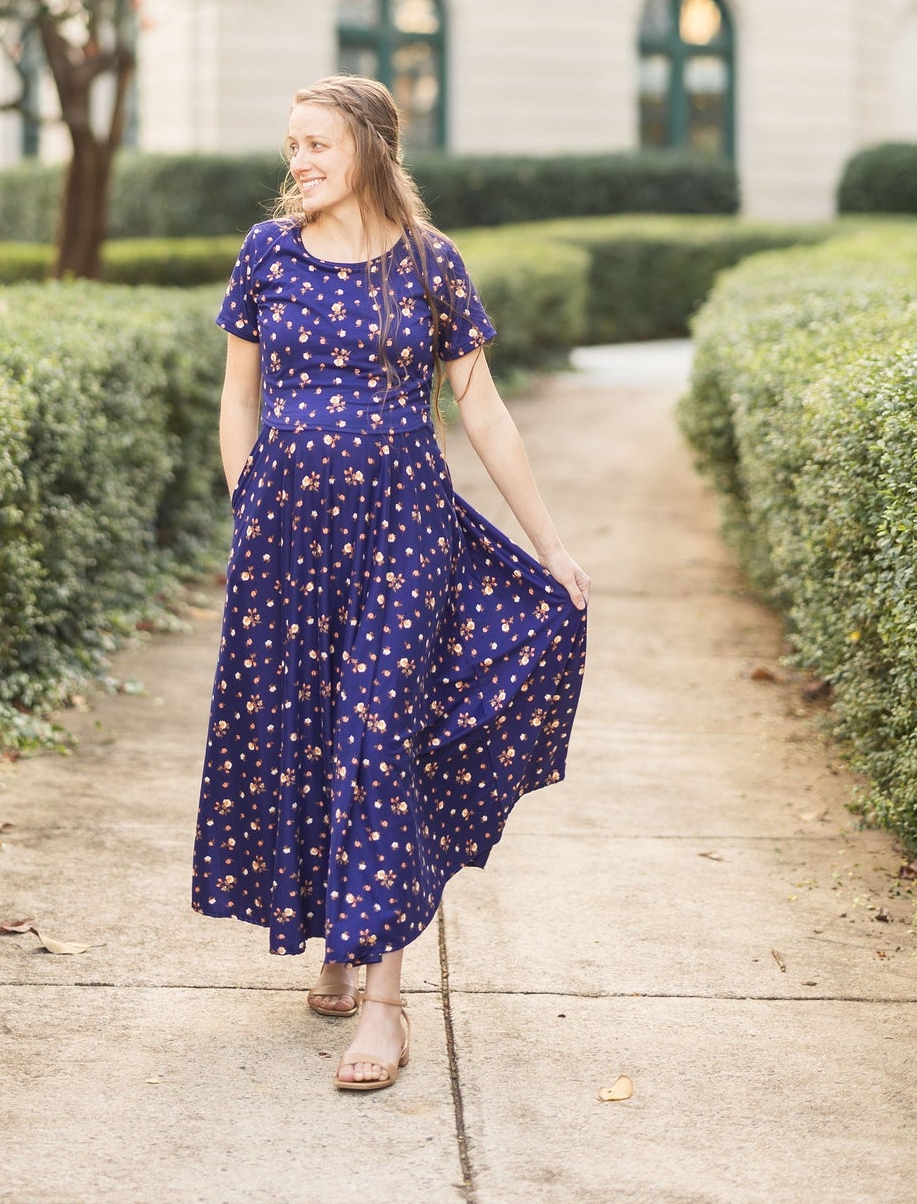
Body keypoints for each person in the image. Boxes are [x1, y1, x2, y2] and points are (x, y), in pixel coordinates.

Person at [192, 74, 589, 1091]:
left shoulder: (428, 263)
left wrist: (549, 543)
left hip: (403, 531)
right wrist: (251, 498)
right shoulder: (266, 253)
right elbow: (237, 398)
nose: (300, 161)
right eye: (292, 143)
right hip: (286, 537)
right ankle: (335, 933)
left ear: (371, 143)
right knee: (309, 729)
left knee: (378, 732)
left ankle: (386, 1001)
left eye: (318, 141)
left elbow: (483, 410)